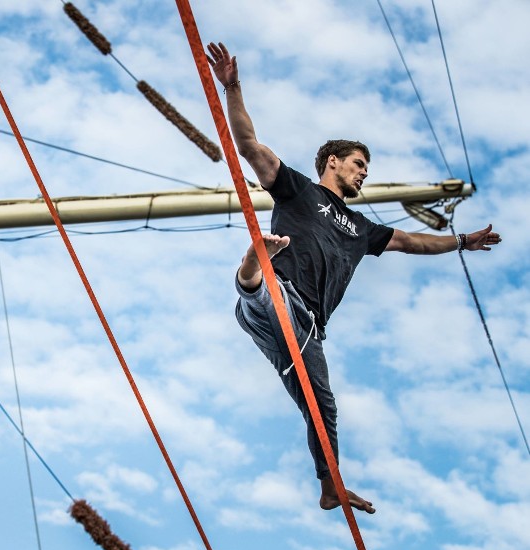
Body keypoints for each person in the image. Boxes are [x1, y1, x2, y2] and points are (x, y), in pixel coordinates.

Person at [206, 42, 502, 515]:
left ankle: (329, 486)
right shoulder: (298, 188)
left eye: (366, 168)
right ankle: (252, 272)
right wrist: (233, 88)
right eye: (359, 164)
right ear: (334, 162)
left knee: (323, 409)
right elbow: (248, 146)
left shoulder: (365, 230)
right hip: (283, 296)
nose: (364, 173)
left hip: (307, 328)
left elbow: (413, 242)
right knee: (267, 298)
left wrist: (462, 242)